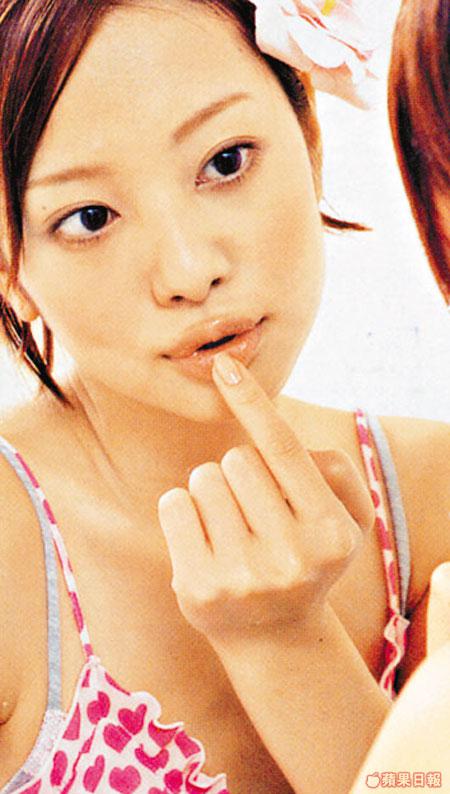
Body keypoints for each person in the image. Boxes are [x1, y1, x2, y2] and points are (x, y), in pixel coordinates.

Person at [0, 1, 448, 793]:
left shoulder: (430, 495)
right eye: (90, 217)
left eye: (227, 161)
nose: (189, 271)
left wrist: (285, 645)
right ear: (10, 267)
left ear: (311, 144)